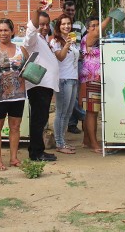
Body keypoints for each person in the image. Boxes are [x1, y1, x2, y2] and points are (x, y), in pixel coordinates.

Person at [0, 18, 27, 170]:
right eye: (0, 30)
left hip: (18, 95)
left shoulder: (21, 50)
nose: (3, 33)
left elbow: (28, 69)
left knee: (15, 126)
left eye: (6, 30)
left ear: (12, 32)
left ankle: (14, 158)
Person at [23, 8, 60, 161]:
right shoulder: (34, 39)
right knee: (38, 120)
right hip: (38, 86)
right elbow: (30, 34)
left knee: (41, 119)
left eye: (47, 25)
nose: (45, 27)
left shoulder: (44, 40)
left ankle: (37, 150)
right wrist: (37, 13)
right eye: (41, 24)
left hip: (45, 86)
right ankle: (36, 153)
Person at [79, 15, 112, 153]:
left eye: (97, 24)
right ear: (87, 28)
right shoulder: (87, 38)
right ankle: (93, 143)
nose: (96, 27)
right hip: (90, 78)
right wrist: (110, 17)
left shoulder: (98, 41)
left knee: (92, 111)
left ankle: (88, 140)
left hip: (96, 79)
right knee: (92, 112)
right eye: (93, 25)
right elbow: (98, 32)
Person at [50, 14, 80, 154]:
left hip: (73, 79)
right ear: (58, 26)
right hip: (63, 80)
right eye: (63, 24)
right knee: (61, 113)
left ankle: (62, 140)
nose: (66, 26)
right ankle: (59, 143)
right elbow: (60, 58)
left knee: (68, 112)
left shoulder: (72, 41)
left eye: (68, 23)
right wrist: (67, 44)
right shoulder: (55, 42)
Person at [62, 1, 86, 134]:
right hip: (63, 61)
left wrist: (83, 53)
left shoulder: (79, 25)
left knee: (76, 93)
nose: (70, 12)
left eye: (72, 10)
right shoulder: (57, 24)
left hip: (78, 61)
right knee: (69, 93)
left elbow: (86, 40)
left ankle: (72, 123)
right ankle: (83, 115)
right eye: (68, 10)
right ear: (63, 10)